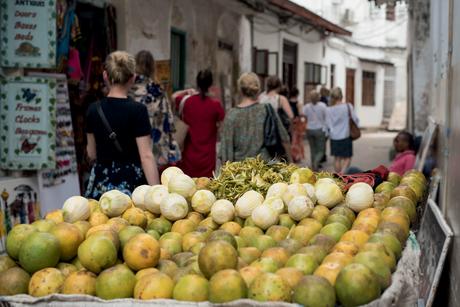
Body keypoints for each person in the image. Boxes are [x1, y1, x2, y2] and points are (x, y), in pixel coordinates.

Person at [85, 51, 159, 199]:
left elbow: (91, 153)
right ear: (133, 78)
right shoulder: (138, 110)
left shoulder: (93, 110)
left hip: (101, 184)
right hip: (131, 184)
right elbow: (146, 156)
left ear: (105, 76)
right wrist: (157, 192)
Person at [220, 72, 292, 162]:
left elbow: (225, 150)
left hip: (240, 170)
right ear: (258, 89)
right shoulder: (266, 110)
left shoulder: (231, 115)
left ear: (240, 90)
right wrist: (290, 162)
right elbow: (284, 138)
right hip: (265, 170)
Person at [130, 50, 181, 168]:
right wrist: (169, 151)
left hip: (129, 147)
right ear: (153, 67)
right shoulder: (158, 91)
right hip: (150, 146)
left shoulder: (128, 89)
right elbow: (167, 122)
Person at [172, 69, 225, 178]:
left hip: (189, 156)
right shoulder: (215, 105)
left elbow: (173, 96)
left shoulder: (187, 102)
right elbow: (223, 128)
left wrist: (187, 91)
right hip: (207, 158)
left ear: (197, 83)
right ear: (210, 84)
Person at [327, 87, 359, 173]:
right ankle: (343, 174)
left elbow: (327, 124)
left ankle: (338, 175)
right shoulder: (348, 106)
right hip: (345, 135)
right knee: (347, 158)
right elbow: (355, 119)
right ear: (341, 95)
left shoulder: (329, 109)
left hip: (334, 137)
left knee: (337, 158)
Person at [303, 90, 328, 170]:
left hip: (309, 129)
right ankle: (316, 163)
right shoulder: (323, 106)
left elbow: (304, 116)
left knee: (312, 149)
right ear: (318, 97)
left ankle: (313, 165)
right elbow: (326, 117)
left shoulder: (306, 106)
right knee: (321, 150)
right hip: (319, 129)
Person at [289, 87, 306, 163]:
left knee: (291, 140)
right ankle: (296, 156)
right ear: (297, 94)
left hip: (289, 123)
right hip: (297, 123)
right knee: (297, 141)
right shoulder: (299, 103)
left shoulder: (287, 102)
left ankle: (291, 155)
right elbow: (300, 114)